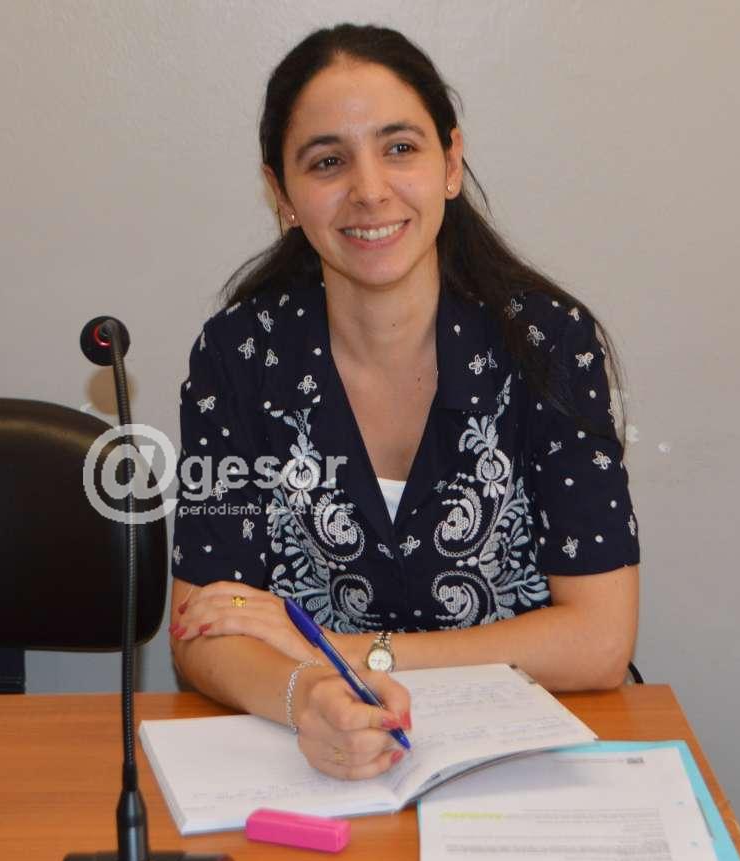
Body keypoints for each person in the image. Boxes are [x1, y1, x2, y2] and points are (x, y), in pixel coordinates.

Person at [168, 24, 639, 782]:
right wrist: (306, 697)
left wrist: (345, 652)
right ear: (282, 195)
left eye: (399, 147)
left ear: (450, 163)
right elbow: (202, 629)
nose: (369, 190)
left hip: (523, 762)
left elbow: (599, 641)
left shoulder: (548, 343)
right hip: (320, 761)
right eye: (328, 161)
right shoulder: (237, 357)